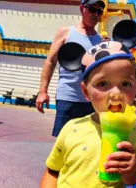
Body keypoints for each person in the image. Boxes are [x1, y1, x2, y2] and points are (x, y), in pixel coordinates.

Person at [40, 41, 136, 187]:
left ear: (135, 89)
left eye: (126, 84)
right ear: (86, 92)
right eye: (103, 84)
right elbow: (53, 172)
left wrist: (135, 176)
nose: (116, 94)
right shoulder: (71, 129)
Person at [36, 0, 106, 137]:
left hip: (91, 101)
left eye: (99, 12)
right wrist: (42, 91)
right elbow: (50, 61)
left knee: (86, 144)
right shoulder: (66, 33)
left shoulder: (101, 41)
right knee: (63, 143)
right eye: (92, 9)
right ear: (81, 9)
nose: (95, 14)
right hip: (67, 97)